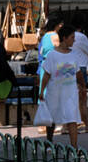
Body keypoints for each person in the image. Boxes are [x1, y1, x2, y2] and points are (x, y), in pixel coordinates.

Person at [34, 19, 83, 147]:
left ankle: (74, 147)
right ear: (65, 38)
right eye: (72, 37)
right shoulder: (52, 55)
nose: (74, 40)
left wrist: (82, 86)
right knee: (52, 119)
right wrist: (41, 91)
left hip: (70, 93)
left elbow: (78, 73)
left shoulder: (74, 55)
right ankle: (49, 141)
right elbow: (46, 75)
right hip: (54, 93)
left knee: (72, 119)